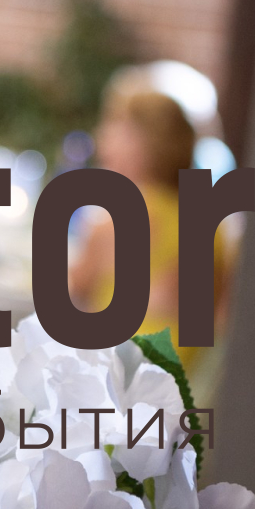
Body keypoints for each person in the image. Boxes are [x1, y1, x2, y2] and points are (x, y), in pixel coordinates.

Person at [69, 70, 231, 371]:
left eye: (113, 127)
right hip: (178, 385)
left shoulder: (117, 217)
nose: (101, 137)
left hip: (119, 379)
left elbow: (73, 291)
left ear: (142, 142)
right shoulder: (212, 223)